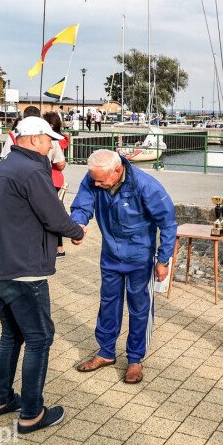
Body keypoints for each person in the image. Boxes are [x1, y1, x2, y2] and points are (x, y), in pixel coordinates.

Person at [0, 117, 85, 434]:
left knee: (12, 334)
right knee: (39, 338)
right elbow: (53, 215)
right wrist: (76, 231)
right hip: (22, 268)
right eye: (50, 140)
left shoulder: (1, 167)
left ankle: (1, 399)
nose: (53, 145)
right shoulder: (34, 170)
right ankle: (32, 413)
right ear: (35, 139)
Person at [71, 149, 177, 384]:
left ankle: (135, 359)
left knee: (139, 309)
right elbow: (82, 204)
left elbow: (168, 223)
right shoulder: (93, 178)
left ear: (117, 171)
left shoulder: (146, 185)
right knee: (108, 303)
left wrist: (163, 260)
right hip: (110, 255)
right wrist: (78, 223)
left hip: (140, 258)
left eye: (101, 180)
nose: (96, 184)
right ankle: (106, 352)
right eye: (94, 179)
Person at [43, 111, 69, 257]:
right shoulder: (62, 139)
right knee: (55, 212)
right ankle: (59, 247)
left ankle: (57, 247)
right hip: (56, 179)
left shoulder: (51, 139)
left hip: (50, 178)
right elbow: (61, 164)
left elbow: (59, 163)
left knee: (50, 214)